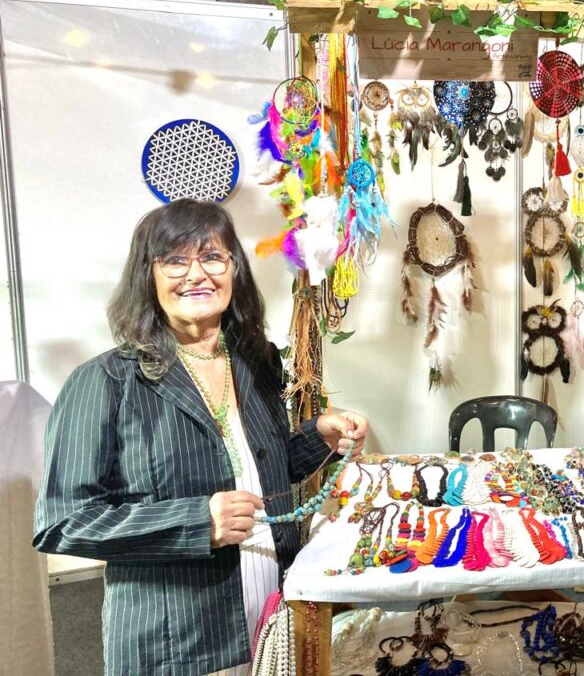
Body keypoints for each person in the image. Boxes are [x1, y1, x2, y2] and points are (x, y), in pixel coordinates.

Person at [34, 199, 368, 676]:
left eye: (213, 257)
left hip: (273, 617)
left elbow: (260, 470)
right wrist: (198, 522)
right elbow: (64, 522)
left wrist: (320, 437)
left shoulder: (257, 361)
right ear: (148, 276)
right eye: (175, 260)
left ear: (234, 271)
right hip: (178, 643)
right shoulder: (104, 381)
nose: (197, 274)